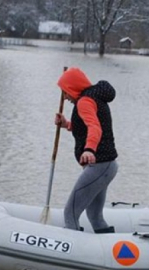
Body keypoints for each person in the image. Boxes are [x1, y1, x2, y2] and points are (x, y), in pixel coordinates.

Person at [54, 67, 118, 233]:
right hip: (107, 166)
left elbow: (94, 127)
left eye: (66, 92)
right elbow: (84, 127)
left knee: (70, 213)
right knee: (94, 215)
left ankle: (70, 252)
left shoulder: (84, 102)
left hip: (99, 165)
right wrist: (66, 124)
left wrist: (89, 149)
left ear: (73, 88)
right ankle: (108, 251)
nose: (65, 97)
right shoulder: (93, 98)